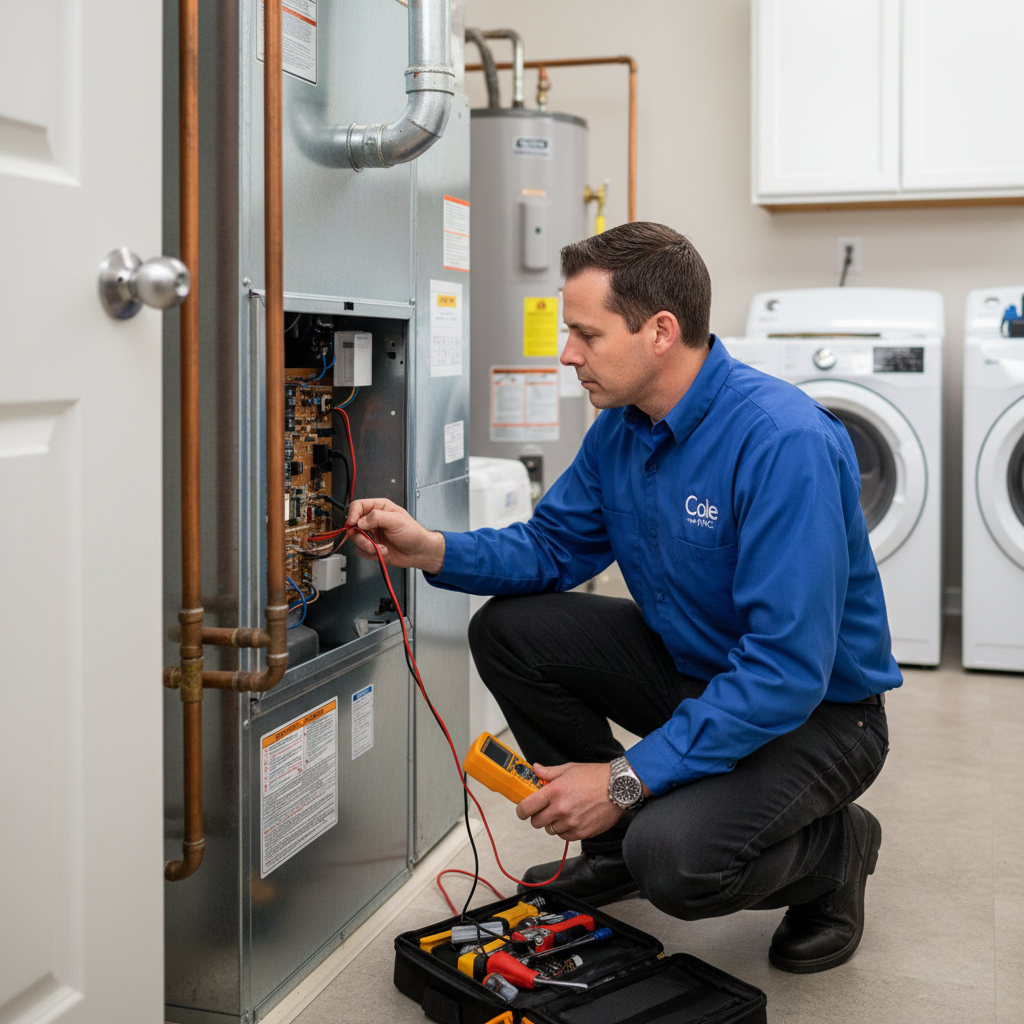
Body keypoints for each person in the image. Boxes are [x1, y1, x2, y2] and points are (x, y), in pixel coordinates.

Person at [345, 222, 898, 974]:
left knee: (675, 859)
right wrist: (433, 549)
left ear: (661, 331)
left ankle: (837, 853)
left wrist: (621, 781)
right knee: (512, 632)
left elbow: (785, 671)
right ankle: (613, 855)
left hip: (821, 714)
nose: (566, 353)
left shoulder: (782, 443)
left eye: (585, 334)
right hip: (697, 672)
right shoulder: (622, 430)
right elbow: (551, 548)